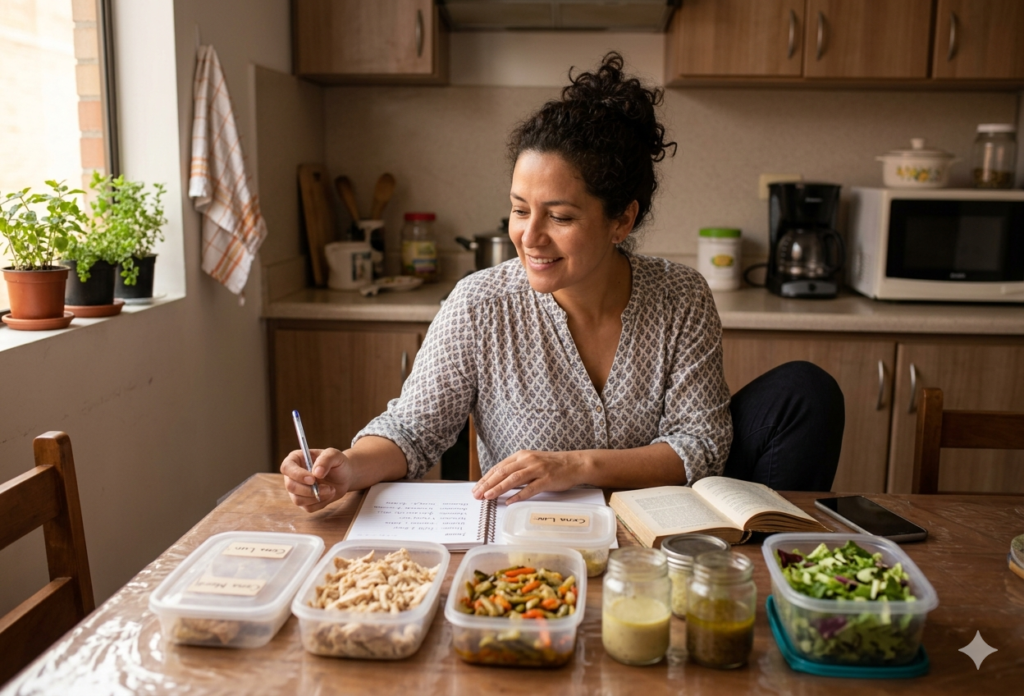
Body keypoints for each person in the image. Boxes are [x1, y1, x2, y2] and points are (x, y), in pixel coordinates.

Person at [280, 53, 845, 512]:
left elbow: (699, 444)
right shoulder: (481, 303)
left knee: (807, 392)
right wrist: (349, 467)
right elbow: (412, 427)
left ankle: (766, 572)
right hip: (540, 538)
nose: (530, 237)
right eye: (520, 209)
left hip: (663, 533)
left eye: (561, 217)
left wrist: (574, 465)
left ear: (622, 219)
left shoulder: (681, 296)